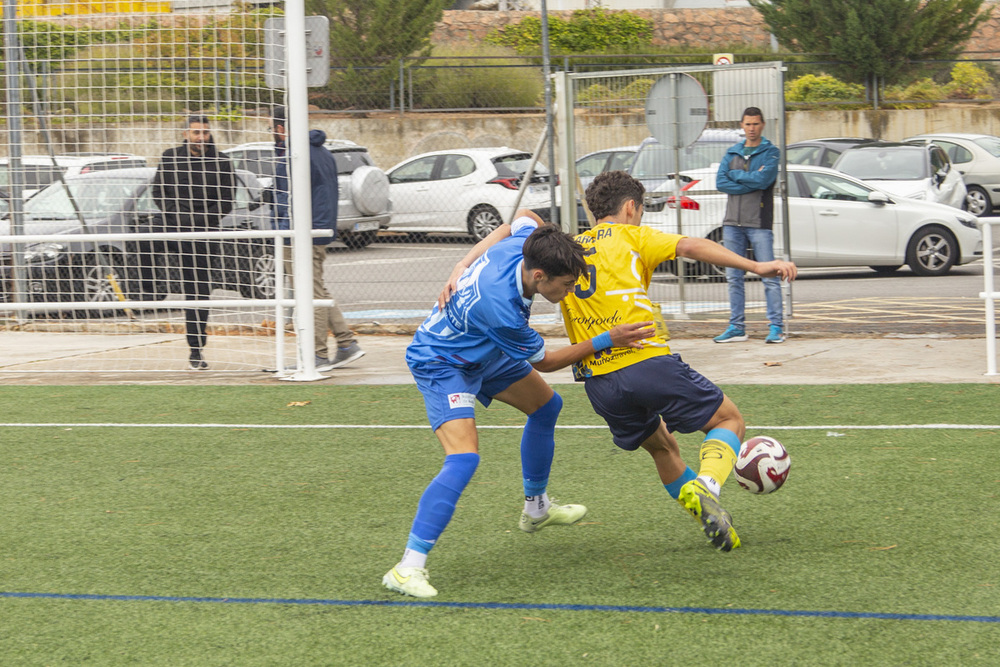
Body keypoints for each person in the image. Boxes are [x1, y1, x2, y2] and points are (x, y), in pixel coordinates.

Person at [441, 171, 797, 554]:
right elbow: (692, 246)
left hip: (600, 385)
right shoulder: (634, 236)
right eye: (640, 212)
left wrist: (461, 265)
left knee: (664, 448)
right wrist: (757, 267)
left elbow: (520, 219)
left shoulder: (566, 250)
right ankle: (707, 485)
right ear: (631, 208)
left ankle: (709, 517)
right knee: (729, 420)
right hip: (647, 363)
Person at [382, 211, 654, 599]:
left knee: (546, 407)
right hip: (443, 362)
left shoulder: (524, 246)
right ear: (539, 276)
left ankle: (536, 508)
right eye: (566, 284)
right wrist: (607, 339)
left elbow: (524, 218)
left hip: (483, 348)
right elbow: (545, 361)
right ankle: (408, 566)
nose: (572, 290)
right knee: (464, 458)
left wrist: (462, 262)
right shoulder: (502, 305)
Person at [270, 106, 364, 371]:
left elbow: (285, 199)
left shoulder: (296, 155)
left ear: (280, 129)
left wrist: (282, 229)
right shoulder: (322, 152)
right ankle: (346, 343)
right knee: (317, 291)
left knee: (309, 294)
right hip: (318, 230)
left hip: (302, 233)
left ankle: (317, 355)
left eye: (272, 129)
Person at [152, 115, 236, 370]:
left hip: (204, 234)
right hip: (173, 230)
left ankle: (196, 348)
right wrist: (177, 216)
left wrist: (200, 220)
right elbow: (158, 192)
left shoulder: (222, 162)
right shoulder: (170, 157)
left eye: (205, 133)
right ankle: (144, 289)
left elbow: (226, 200)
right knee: (145, 240)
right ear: (185, 134)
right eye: (196, 132)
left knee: (198, 290)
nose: (201, 137)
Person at [714, 106, 785, 344]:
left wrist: (737, 176)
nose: (751, 128)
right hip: (733, 223)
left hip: (759, 223)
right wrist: (749, 181)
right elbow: (721, 182)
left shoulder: (771, 153)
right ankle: (736, 327)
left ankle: (776, 327)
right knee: (734, 277)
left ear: (762, 125)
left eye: (755, 124)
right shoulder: (731, 152)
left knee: (770, 277)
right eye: (747, 124)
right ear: (741, 126)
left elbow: (764, 180)